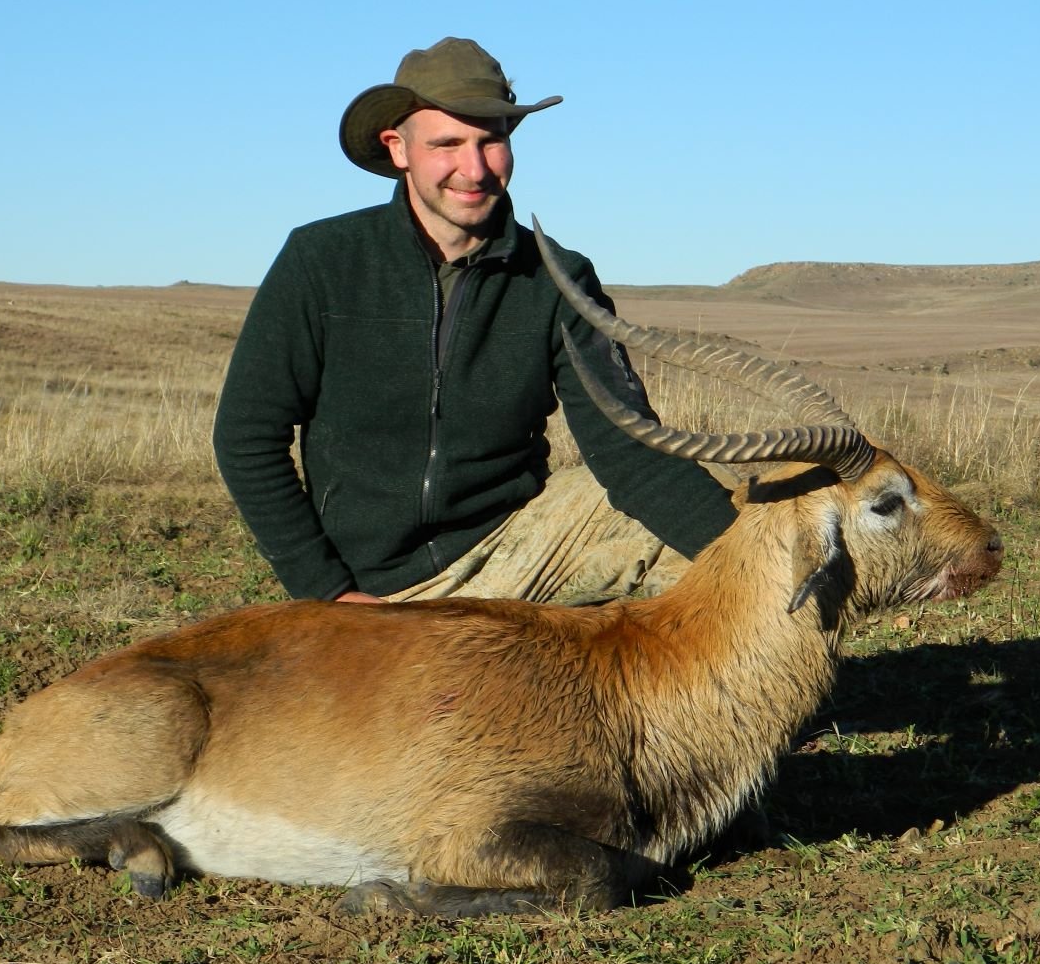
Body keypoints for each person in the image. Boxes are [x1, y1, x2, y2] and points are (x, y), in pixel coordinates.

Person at [212, 37, 737, 603]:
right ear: (398, 148)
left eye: (492, 141)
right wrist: (326, 592)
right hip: (364, 591)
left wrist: (750, 560)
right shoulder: (322, 260)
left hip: (517, 551)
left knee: (735, 554)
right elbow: (246, 438)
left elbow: (630, 451)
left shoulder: (561, 278)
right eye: (448, 143)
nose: (475, 168)